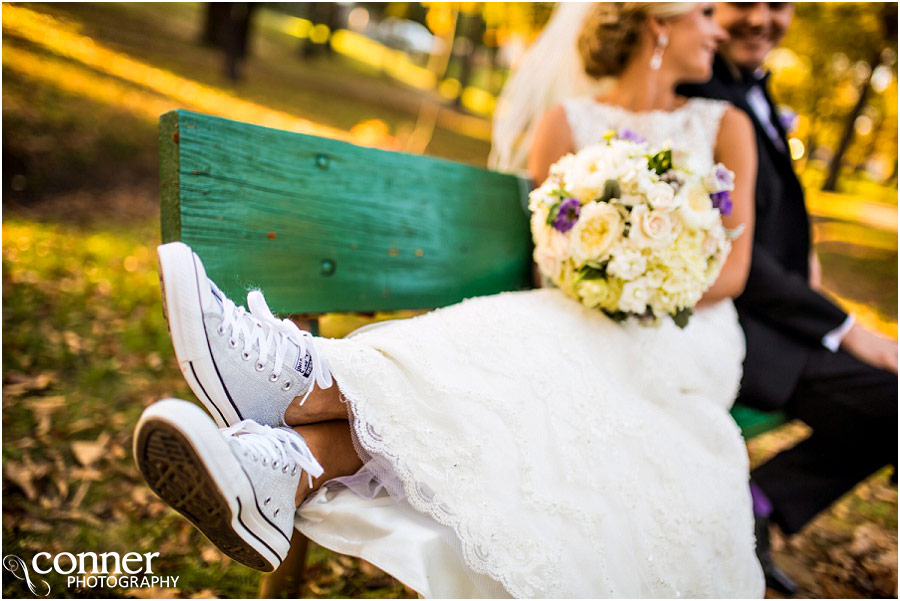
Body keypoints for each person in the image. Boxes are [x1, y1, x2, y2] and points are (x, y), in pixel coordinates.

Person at [134, 3, 766, 597]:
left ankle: (306, 377)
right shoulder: (566, 123)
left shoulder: (725, 125)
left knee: (531, 337)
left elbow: (734, 271)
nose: (720, 29)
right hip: (578, 313)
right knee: (528, 343)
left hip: (688, 334)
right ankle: (285, 468)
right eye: (706, 12)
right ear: (656, 21)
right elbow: (554, 257)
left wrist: (638, 285)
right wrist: (597, 275)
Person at [678, 2, 898, 593]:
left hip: (779, 315)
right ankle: (745, 506)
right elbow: (734, 251)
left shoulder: (752, 89)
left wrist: (807, 263)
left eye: (777, 5)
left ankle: (756, 504)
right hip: (738, 323)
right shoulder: (694, 88)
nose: (760, 20)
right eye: (742, 3)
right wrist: (848, 328)